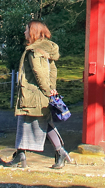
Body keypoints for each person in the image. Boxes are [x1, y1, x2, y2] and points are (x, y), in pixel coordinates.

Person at [10, 20, 73, 169]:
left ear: (33, 32)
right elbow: (53, 70)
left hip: (33, 94)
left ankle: (58, 152)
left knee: (35, 122)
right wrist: (52, 88)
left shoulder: (34, 51)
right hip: (39, 94)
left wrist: (47, 90)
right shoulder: (46, 49)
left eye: (26, 30)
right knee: (35, 122)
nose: (24, 33)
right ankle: (21, 154)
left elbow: (39, 73)